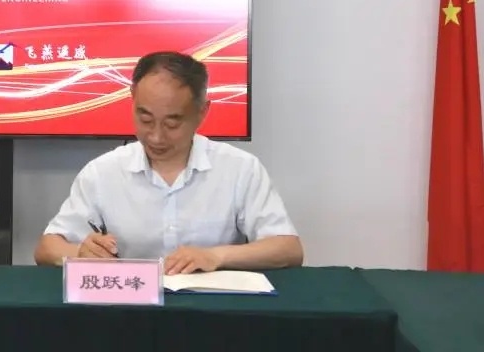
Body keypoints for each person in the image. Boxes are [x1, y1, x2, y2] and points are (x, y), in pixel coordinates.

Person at [34, 51, 303, 273]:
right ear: (132, 99)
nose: (156, 136)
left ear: (202, 112)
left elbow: (288, 249)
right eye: (145, 119)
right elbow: (47, 248)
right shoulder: (102, 172)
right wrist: (80, 253)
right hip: (130, 309)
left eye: (172, 123)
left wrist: (215, 256)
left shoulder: (240, 168)